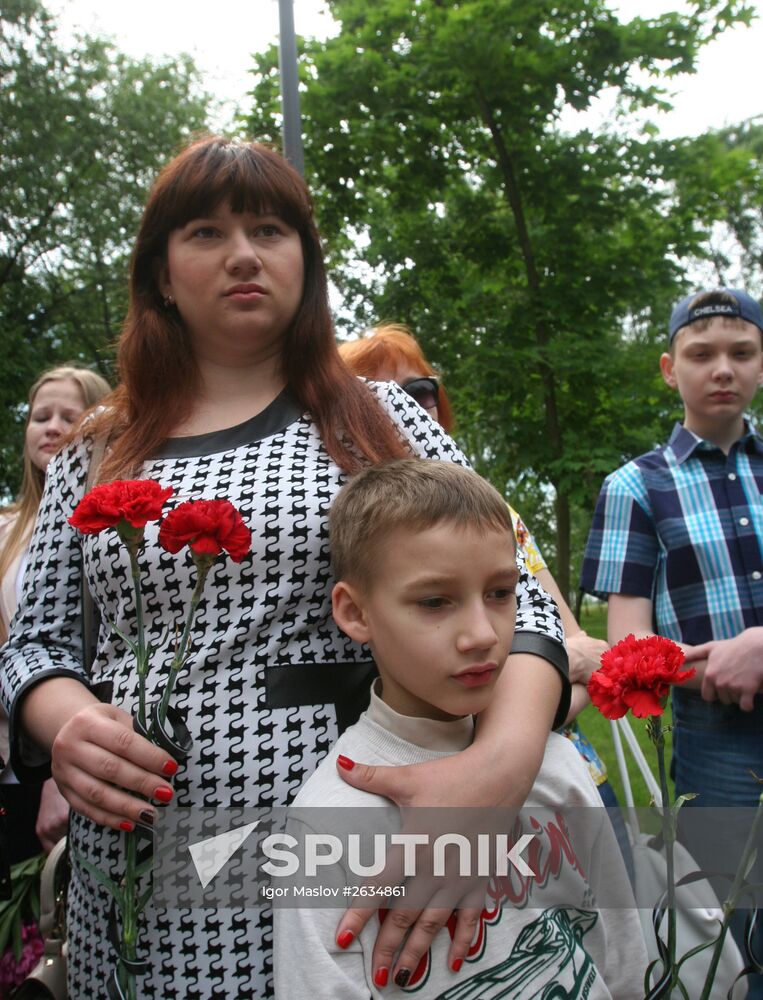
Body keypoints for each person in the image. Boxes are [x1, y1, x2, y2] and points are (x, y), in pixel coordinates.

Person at [0, 137, 570, 998]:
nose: (241, 255)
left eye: (269, 229)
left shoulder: (379, 420)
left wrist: (499, 769)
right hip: (143, 873)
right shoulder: (95, 451)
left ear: (305, 260)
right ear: (159, 272)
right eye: (204, 232)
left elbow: (522, 601)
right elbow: (33, 641)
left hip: (372, 846)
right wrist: (66, 719)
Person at [274, 459, 646, 999]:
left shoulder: (557, 765)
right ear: (355, 613)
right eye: (434, 601)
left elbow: (622, 958)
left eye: (500, 593)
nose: (482, 634)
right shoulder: (331, 823)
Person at [338, 326, 616, 805]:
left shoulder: (498, 519)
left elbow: (578, 646)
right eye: (372, 393)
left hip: (572, 772)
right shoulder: (359, 536)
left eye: (420, 390)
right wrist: (556, 666)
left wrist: (567, 663)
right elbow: (570, 654)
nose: (401, 406)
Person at [581, 286, 763, 996]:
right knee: (727, 915)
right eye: (700, 354)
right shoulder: (633, 488)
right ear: (668, 368)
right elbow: (629, 645)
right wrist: (724, 664)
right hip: (713, 738)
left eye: (740, 353)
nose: (721, 368)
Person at [0, 364, 111, 862]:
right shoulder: (5, 531)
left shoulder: (113, 534)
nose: (50, 426)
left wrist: (54, 773)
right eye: (40, 415)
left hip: (72, 760)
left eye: (70, 415)